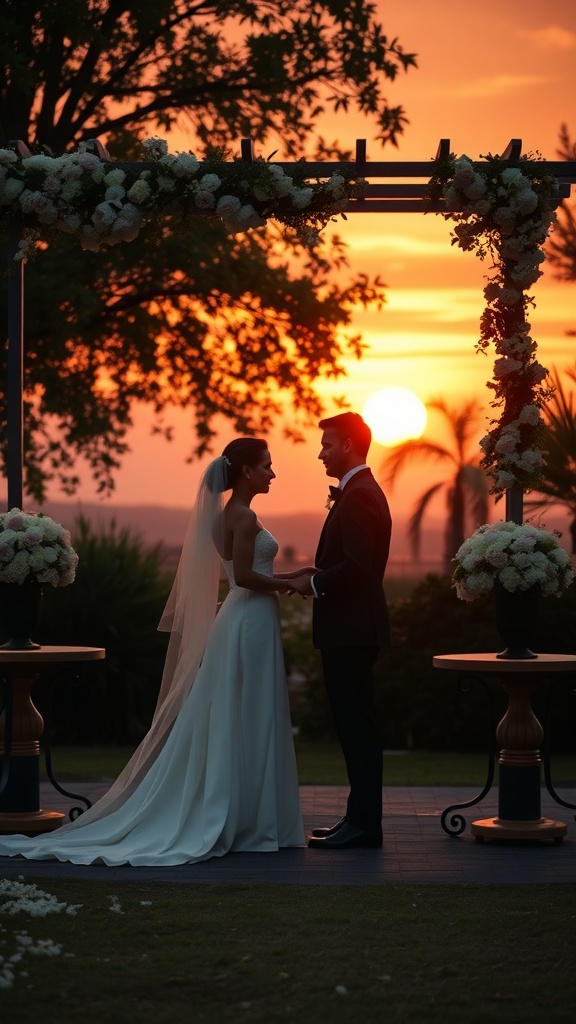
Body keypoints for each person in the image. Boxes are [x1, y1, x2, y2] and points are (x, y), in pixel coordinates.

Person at [0, 438, 307, 866]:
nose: (273, 474)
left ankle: (250, 815)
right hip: (249, 621)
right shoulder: (244, 515)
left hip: (244, 618)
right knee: (250, 710)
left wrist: (293, 573)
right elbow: (245, 578)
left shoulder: (224, 516)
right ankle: (252, 820)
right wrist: (290, 584)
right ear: (247, 472)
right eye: (268, 466)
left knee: (240, 711)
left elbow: (246, 575)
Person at [290, 412, 392, 849]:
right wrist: (316, 570)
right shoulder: (357, 492)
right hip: (348, 630)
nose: (320, 453)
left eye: (327, 444)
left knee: (358, 729)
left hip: (351, 631)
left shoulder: (361, 495)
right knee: (354, 729)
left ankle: (365, 825)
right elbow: (348, 561)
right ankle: (358, 819)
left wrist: (313, 583)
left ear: (349, 445)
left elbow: (358, 566)